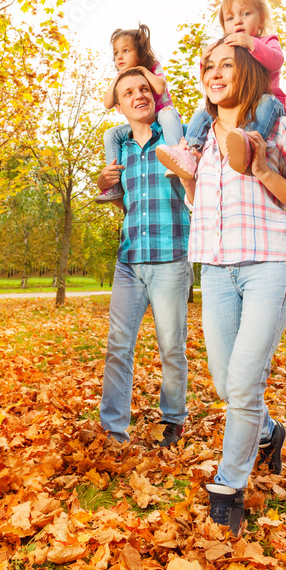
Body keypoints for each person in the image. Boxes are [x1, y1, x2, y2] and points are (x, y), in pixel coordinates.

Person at [179, 39, 286, 534]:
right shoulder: (199, 139)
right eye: (208, 67)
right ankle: (268, 431)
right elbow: (200, 207)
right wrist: (187, 180)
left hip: (270, 264)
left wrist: (263, 169)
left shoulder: (277, 127)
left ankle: (229, 485)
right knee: (226, 383)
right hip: (216, 268)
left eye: (226, 65)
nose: (214, 73)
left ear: (248, 72)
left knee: (243, 382)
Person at [93, 68, 193, 448]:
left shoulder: (172, 139)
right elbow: (125, 204)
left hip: (170, 257)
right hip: (129, 260)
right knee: (119, 344)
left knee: (171, 345)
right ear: (119, 106)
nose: (139, 95)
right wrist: (105, 186)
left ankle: (173, 419)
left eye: (144, 89)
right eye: (129, 92)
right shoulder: (120, 150)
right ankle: (113, 429)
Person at [158, 0, 286, 179]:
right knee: (202, 114)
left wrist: (252, 43)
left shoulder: (266, 40)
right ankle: (190, 153)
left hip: (262, 100)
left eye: (245, 14)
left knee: (267, 104)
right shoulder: (226, 47)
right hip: (233, 105)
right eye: (230, 18)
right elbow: (213, 78)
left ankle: (247, 148)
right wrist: (205, 61)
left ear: (261, 19)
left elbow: (276, 60)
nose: (238, 21)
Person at [96, 24, 183, 203]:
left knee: (168, 114)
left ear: (140, 52)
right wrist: (119, 76)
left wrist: (143, 70)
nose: (120, 56)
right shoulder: (122, 76)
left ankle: (179, 158)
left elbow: (159, 86)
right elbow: (107, 103)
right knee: (110, 133)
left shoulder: (152, 66)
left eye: (126, 50)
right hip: (141, 123)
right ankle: (114, 183)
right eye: (116, 53)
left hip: (162, 119)